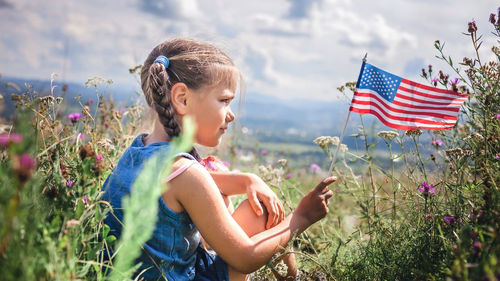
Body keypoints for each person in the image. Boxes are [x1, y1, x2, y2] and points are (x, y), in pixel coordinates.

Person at [102, 38, 336, 281]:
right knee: (264, 213)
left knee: (225, 190)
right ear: (182, 98)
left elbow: (198, 183)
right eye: (224, 100)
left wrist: (247, 179)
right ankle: (295, 279)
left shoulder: (139, 149)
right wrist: (301, 217)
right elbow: (244, 258)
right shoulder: (186, 174)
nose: (231, 114)